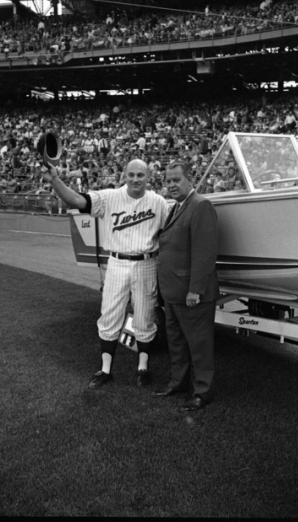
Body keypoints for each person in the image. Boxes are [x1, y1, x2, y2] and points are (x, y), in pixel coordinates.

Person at [42, 157, 169, 388]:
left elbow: (170, 235)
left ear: (148, 177)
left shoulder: (158, 202)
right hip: (117, 262)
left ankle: (143, 368)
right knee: (109, 314)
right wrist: (56, 181)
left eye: (140, 175)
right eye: (131, 174)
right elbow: (77, 200)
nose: (135, 179)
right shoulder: (110, 197)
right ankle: (105, 370)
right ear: (124, 176)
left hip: (147, 263)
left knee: (145, 317)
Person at [152, 160, 219, 412]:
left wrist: (195, 290)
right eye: (168, 181)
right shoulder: (177, 207)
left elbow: (205, 253)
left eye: (176, 180)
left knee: (199, 345)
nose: (171, 185)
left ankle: (203, 391)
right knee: (177, 342)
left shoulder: (201, 205)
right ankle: (178, 383)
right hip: (172, 292)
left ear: (190, 179)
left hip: (191, 294)